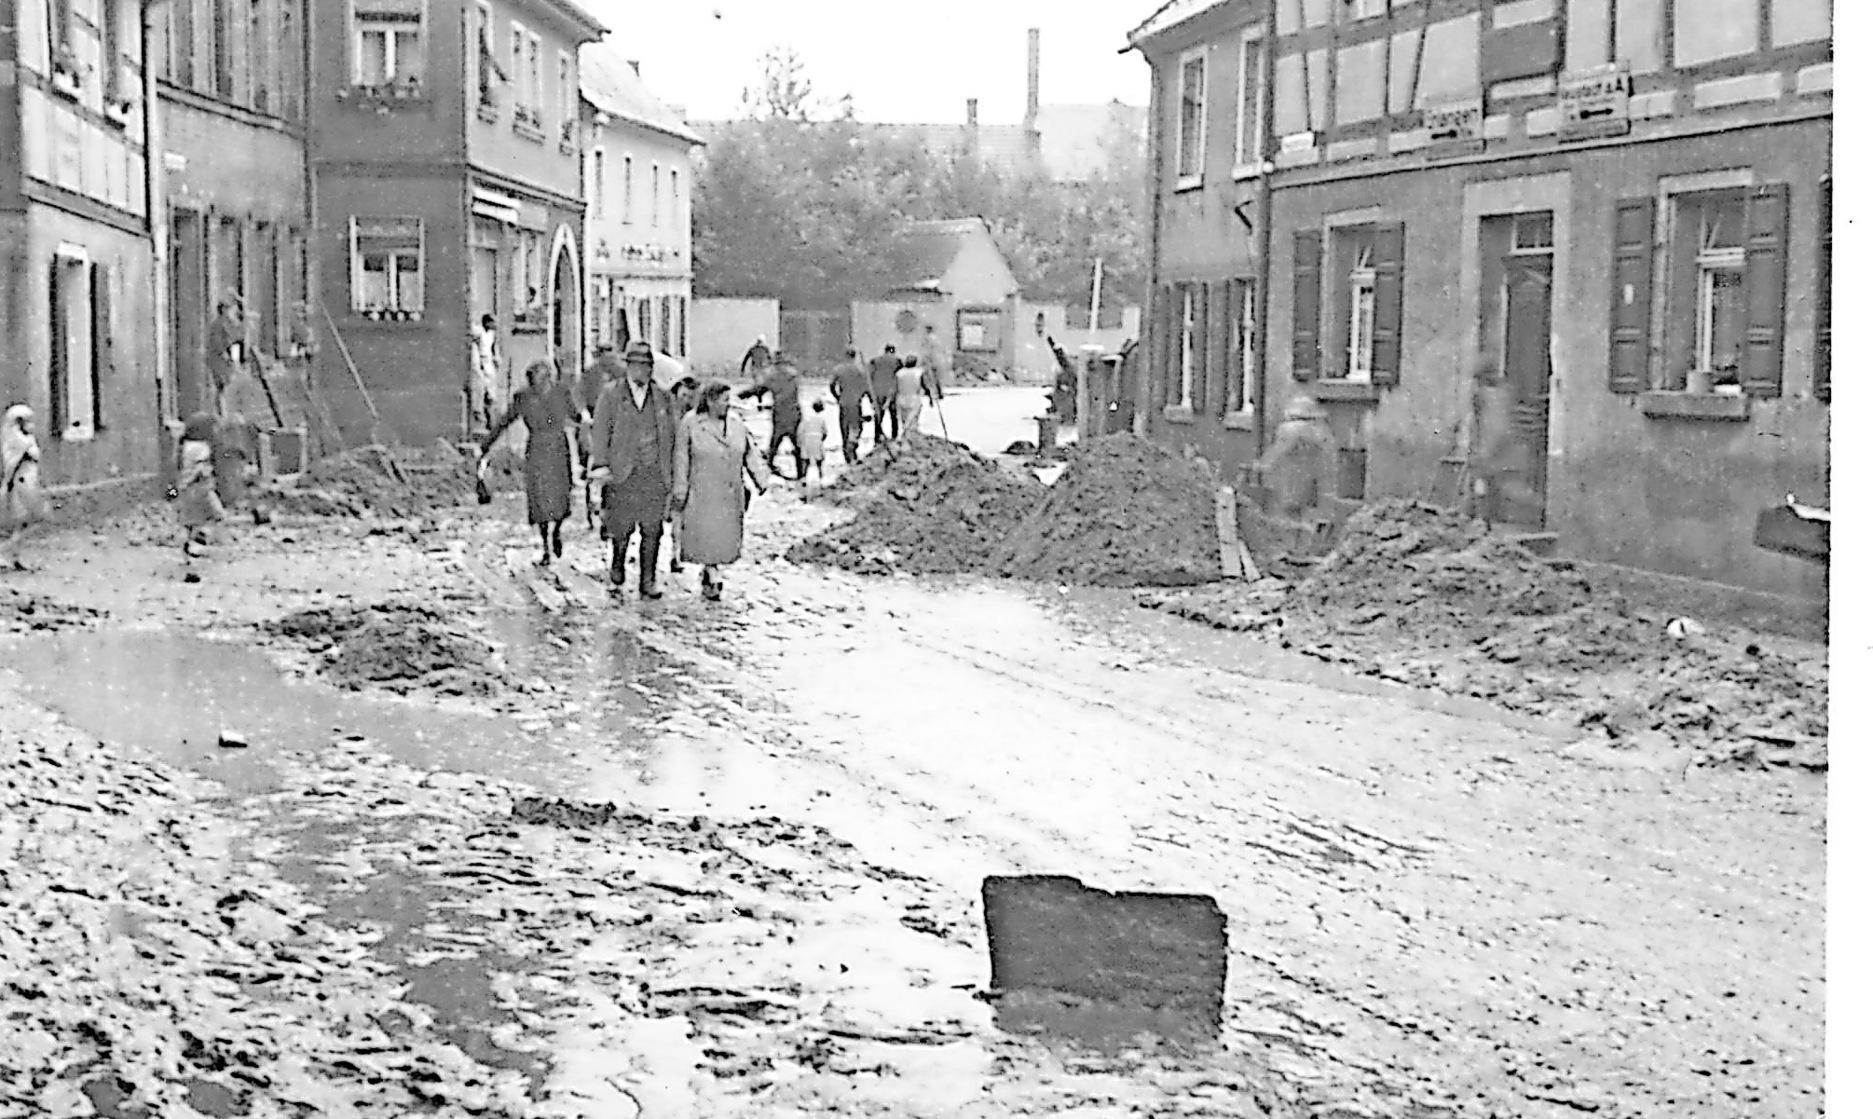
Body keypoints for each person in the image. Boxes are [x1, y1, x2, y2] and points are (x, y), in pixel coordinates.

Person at [589, 341, 679, 598]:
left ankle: (647, 580)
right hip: (622, 472)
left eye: (647, 366)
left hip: (653, 472)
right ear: (628, 367)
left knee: (653, 528)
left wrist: (671, 472)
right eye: (638, 365)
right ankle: (617, 567)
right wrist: (601, 465)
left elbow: (670, 434)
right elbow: (600, 431)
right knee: (621, 526)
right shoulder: (612, 394)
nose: (643, 371)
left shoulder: (662, 396)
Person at [673, 382, 770, 602]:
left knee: (724, 538)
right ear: (710, 401)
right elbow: (681, 458)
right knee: (707, 536)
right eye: (724, 400)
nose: (728, 404)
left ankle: (712, 570)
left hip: (729, 489)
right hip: (703, 490)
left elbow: (750, 452)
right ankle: (711, 571)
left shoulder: (737, 424)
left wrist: (761, 479)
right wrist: (680, 489)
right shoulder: (691, 423)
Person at [481, 359, 581, 566]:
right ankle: (545, 545)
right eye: (534, 379)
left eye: (542, 378)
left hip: (558, 448)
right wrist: (486, 444)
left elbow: (576, 415)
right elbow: (505, 420)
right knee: (539, 499)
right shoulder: (523, 397)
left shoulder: (561, 392)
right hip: (537, 449)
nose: (538, 383)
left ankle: (557, 531)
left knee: (561, 495)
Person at [1258, 396, 1337, 519]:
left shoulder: (1289, 429)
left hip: (1291, 477)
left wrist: (1261, 465)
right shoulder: (1323, 431)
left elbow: (1276, 453)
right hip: (1313, 481)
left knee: (1289, 511)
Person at [173, 412, 224, 582]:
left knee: (187, 528)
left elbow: (175, 475)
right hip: (201, 490)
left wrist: (172, 494)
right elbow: (201, 469)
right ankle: (202, 536)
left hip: (185, 493)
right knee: (217, 516)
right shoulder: (202, 448)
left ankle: (190, 566)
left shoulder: (182, 447)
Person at [737, 355, 803, 480]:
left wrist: (742, 395)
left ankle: (769, 469)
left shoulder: (774, 376)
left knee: (775, 442)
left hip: (780, 413)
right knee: (797, 444)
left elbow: (759, 389)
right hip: (794, 413)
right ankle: (801, 473)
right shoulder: (793, 376)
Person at [0, 405, 46, 573]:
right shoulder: (19, 441)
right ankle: (10, 554)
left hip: (28, 481)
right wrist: (8, 484)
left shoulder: (24, 439)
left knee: (27, 521)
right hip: (22, 482)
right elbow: (13, 465)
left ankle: (14, 555)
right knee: (27, 519)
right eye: (28, 421)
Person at [665, 376, 701, 575]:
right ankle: (675, 553)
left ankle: (677, 553)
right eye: (683, 394)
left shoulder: (694, 417)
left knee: (682, 513)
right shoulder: (666, 412)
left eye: (690, 396)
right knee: (674, 511)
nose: (685, 399)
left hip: (688, 467)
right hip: (668, 467)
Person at [828, 348, 870, 464]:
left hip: (844, 402)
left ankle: (846, 452)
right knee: (856, 427)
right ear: (854, 356)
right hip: (856, 402)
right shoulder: (860, 370)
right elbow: (866, 387)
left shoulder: (838, 369)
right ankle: (853, 448)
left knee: (844, 427)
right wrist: (862, 397)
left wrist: (837, 397)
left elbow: (831, 385)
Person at [207, 300, 244, 418]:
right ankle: (220, 412)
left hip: (222, 359)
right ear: (223, 310)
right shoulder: (219, 323)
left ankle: (222, 411)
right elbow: (218, 341)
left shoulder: (225, 323)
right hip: (218, 359)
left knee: (222, 387)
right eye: (229, 309)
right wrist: (224, 354)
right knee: (220, 386)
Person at [470, 314, 502, 432]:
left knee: (492, 393)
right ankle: (481, 416)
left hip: (489, 363)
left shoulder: (492, 334)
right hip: (481, 362)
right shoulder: (479, 333)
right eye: (493, 322)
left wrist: (496, 357)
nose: (495, 325)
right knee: (482, 390)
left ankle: (491, 420)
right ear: (487, 323)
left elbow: (494, 347)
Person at [867, 345, 903, 445]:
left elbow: (869, 375)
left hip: (878, 391)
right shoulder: (897, 361)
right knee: (893, 415)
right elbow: (899, 376)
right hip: (891, 391)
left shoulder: (875, 360)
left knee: (879, 416)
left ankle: (877, 437)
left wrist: (870, 393)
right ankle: (894, 436)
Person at [797, 400, 829, 485]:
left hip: (807, 438)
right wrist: (822, 439)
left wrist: (800, 441)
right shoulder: (821, 418)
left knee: (805, 459)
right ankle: (820, 476)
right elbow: (825, 432)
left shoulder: (806, 417)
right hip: (817, 439)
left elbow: (800, 430)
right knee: (819, 459)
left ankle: (804, 477)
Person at [895, 354, 928, 436]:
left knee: (904, 421)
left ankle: (906, 436)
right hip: (914, 399)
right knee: (913, 420)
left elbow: (895, 387)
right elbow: (924, 385)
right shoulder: (918, 372)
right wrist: (930, 395)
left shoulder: (899, 373)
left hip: (901, 398)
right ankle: (911, 437)